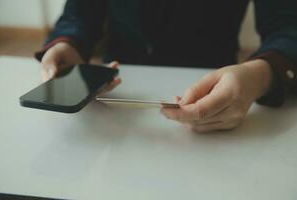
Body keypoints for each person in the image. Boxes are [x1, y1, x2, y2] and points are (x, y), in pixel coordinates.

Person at [36, 0, 297, 132]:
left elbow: (287, 27)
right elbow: (78, 13)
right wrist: (67, 43)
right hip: (111, 101)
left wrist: (259, 74)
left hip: (213, 94)